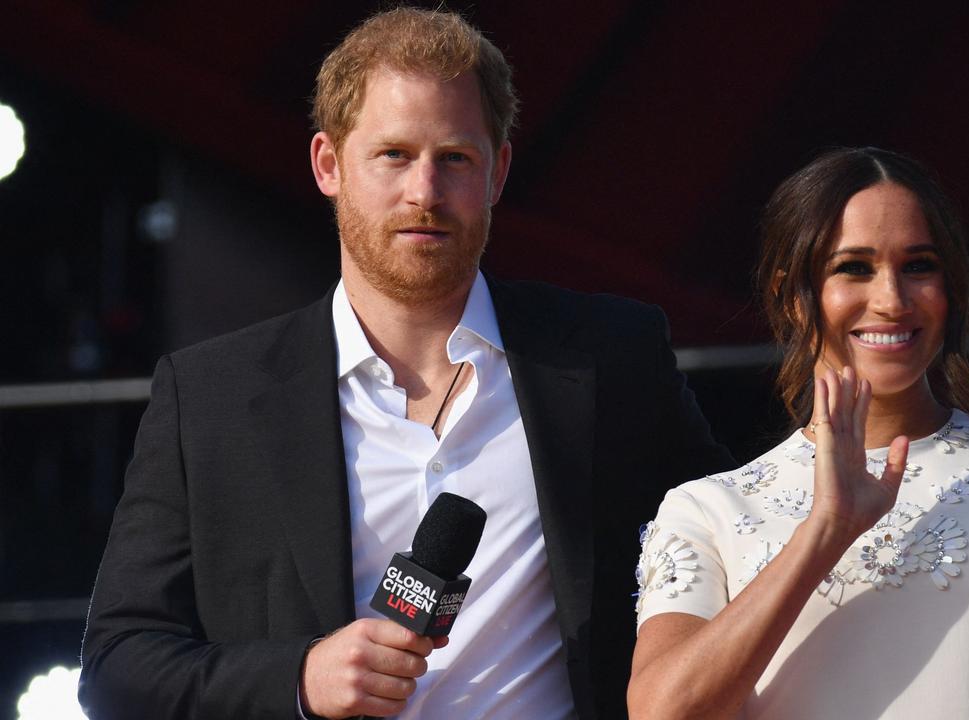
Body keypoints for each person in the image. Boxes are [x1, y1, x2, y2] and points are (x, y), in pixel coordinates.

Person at [79, 8, 733, 720]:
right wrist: (300, 678)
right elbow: (117, 666)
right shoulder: (211, 398)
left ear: (498, 171)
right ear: (329, 165)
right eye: (393, 155)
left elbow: (736, 547)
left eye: (455, 158)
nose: (425, 192)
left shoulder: (612, 355)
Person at [628, 147, 969, 719]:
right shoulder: (706, 510)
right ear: (791, 296)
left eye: (918, 266)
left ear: (951, 285)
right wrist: (826, 530)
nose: (891, 300)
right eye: (854, 268)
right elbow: (664, 712)